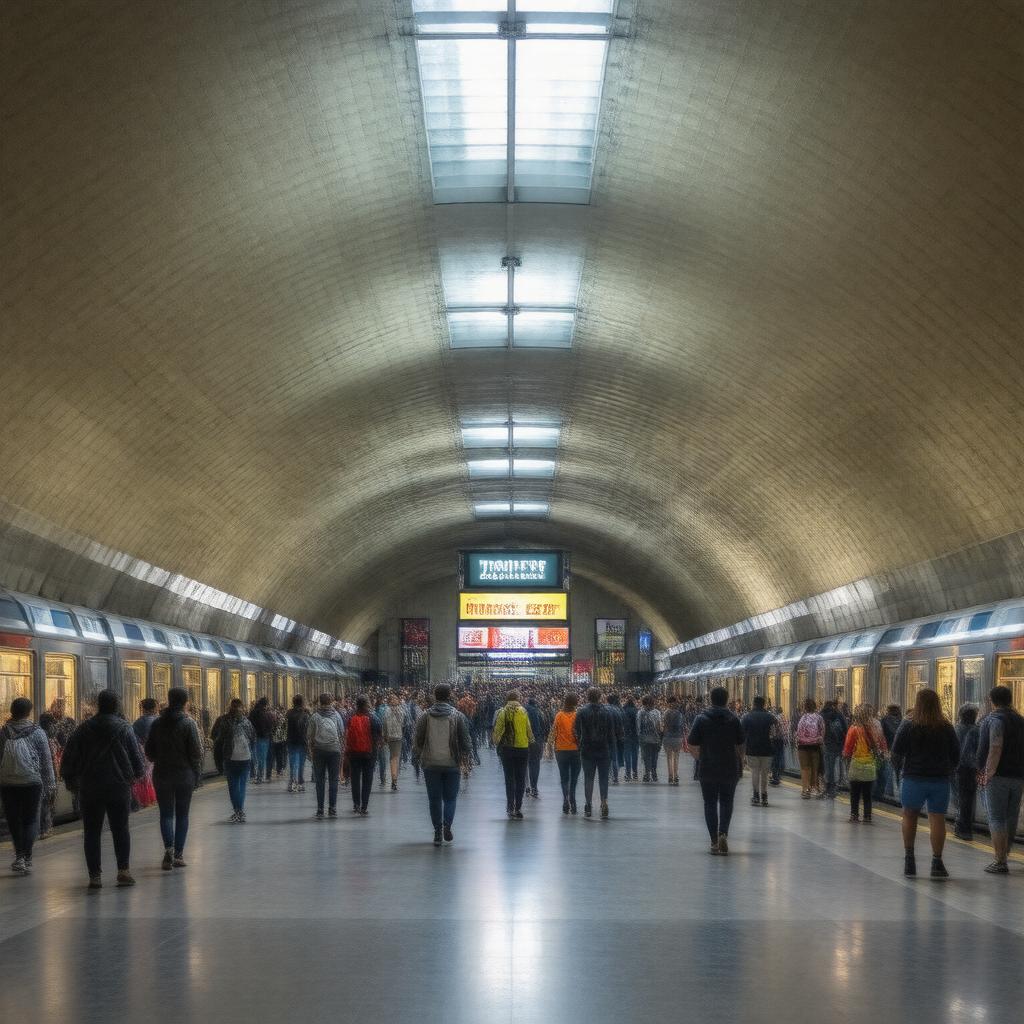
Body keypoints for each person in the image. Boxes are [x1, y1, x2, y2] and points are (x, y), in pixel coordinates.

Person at [60, 690, 145, 888]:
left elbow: (68, 760)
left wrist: (73, 783)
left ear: (99, 705)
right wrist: (133, 778)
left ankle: (94, 876)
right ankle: (123, 871)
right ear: (116, 706)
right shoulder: (125, 729)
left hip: (90, 787)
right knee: (121, 829)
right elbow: (138, 763)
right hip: (119, 788)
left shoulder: (83, 729)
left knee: (91, 832)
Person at [890, 688, 960, 879]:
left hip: (913, 779)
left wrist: (901, 770)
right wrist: (947, 770)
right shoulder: (946, 726)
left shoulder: (908, 725)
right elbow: (956, 754)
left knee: (909, 816)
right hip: (939, 781)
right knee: (937, 819)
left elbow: (895, 752)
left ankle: (909, 862)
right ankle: (937, 863)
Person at [145, 687, 204, 871]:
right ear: (186, 702)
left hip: (162, 774)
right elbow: (196, 753)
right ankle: (178, 854)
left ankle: (168, 849)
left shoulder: (157, 724)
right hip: (184, 775)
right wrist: (197, 774)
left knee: (166, 814)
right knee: (182, 814)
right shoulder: (189, 724)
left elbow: (149, 752)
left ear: (169, 700)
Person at [0, 697, 56, 875]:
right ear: (29, 712)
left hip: (8, 782)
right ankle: (27, 856)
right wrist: (51, 786)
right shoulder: (38, 732)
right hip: (32, 781)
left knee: (14, 820)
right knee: (31, 819)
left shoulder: (3, 732)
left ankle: (19, 857)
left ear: (12, 711)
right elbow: (47, 762)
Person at [687, 686, 745, 855]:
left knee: (710, 803)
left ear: (710, 699)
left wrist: (700, 757)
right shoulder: (734, 719)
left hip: (708, 767)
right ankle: (723, 834)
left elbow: (691, 744)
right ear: (727, 700)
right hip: (729, 768)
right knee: (727, 802)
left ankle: (713, 841)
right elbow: (741, 745)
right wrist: (740, 760)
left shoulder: (701, 719)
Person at [413, 684, 472, 846]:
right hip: (452, 762)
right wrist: (467, 758)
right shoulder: (458, 716)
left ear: (434, 695)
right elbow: (466, 741)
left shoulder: (425, 716)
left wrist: (419, 757)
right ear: (450, 695)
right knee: (451, 798)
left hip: (430, 764)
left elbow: (418, 739)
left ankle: (437, 832)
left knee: (434, 799)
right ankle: (447, 824)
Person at [976, 684, 1024, 874]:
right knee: (1011, 817)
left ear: (992, 700)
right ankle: (1005, 853)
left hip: (998, 776)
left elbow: (995, 747)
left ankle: (1000, 860)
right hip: (1018, 776)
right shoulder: (1021, 720)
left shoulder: (994, 719)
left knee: (996, 818)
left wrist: (988, 772)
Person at [573, 687, 622, 819]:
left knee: (588, 778)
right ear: (600, 696)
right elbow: (612, 734)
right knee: (603, 778)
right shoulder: (607, 712)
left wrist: (579, 744)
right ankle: (604, 803)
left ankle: (588, 805)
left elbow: (575, 730)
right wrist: (613, 750)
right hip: (604, 749)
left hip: (587, 749)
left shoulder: (581, 711)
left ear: (588, 696)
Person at [211, 699, 256, 821]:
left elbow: (214, 736)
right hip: (245, 757)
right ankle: (240, 811)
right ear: (242, 707)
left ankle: (237, 811)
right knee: (242, 785)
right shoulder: (247, 722)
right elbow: (253, 738)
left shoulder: (222, 720)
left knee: (233, 785)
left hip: (230, 757)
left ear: (229, 707)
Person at [842, 704, 887, 822]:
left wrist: (846, 758)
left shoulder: (853, 729)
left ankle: (854, 815)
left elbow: (848, 748)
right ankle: (867, 816)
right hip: (870, 765)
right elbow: (882, 744)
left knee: (855, 793)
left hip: (856, 764)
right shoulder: (876, 726)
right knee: (867, 794)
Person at [493, 691, 534, 819]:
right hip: (523, 748)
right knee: (521, 778)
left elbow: (497, 731)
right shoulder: (523, 711)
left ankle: (510, 806)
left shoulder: (503, 712)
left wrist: (495, 743)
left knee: (509, 779)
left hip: (508, 749)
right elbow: (529, 730)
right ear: (518, 699)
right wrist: (531, 742)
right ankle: (518, 807)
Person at [306, 693, 346, 818]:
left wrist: (311, 750)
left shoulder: (315, 716)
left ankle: (320, 809)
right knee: (334, 779)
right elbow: (342, 733)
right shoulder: (337, 715)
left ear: (320, 702)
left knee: (320, 780)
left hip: (319, 750)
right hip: (335, 750)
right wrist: (342, 748)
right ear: (331, 702)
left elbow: (309, 735)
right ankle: (332, 808)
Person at [346, 696, 381, 815]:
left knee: (355, 779)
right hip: (369, 753)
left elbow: (346, 733)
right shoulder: (373, 717)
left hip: (353, 753)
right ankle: (364, 806)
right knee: (367, 779)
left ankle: (356, 804)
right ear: (367, 704)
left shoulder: (350, 716)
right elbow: (378, 733)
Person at [952, 704, 980, 841]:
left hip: (958, 768)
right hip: (972, 769)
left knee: (961, 798)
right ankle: (966, 826)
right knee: (969, 798)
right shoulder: (977, 730)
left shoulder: (956, 729)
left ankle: (962, 826)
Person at [741, 696, 775, 806]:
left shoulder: (747, 717)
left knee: (755, 772)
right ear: (764, 704)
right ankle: (764, 796)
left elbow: (742, 735)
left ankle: (756, 796)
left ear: (753, 704)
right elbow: (775, 733)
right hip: (767, 748)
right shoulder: (770, 717)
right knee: (765, 773)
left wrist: (742, 751)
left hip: (752, 749)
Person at [553, 693, 581, 815]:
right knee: (574, 778)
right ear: (575, 702)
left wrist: (551, 747)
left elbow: (554, 732)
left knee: (564, 778)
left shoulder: (559, 715)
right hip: (576, 750)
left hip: (561, 750)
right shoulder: (577, 715)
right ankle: (573, 801)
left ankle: (565, 799)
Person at [794, 698, 825, 798]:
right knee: (815, 768)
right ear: (815, 706)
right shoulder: (819, 718)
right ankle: (815, 788)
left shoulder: (802, 718)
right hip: (815, 746)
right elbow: (823, 731)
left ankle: (805, 790)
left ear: (805, 707)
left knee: (804, 768)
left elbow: (798, 732)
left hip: (802, 746)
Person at [821, 700, 849, 799]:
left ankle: (828, 787)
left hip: (826, 744)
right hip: (838, 744)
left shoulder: (822, 714)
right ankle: (835, 786)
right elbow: (846, 729)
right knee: (836, 765)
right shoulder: (839, 715)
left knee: (828, 766)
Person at [875, 704, 903, 800]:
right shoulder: (902, 720)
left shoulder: (884, 719)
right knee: (900, 772)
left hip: (888, 749)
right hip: (900, 751)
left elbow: (880, 734)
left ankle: (889, 792)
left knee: (889, 771)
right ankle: (901, 793)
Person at [285, 695, 310, 793]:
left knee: (292, 763)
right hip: (302, 742)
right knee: (301, 764)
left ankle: (292, 783)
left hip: (291, 741)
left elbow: (285, 727)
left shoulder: (289, 713)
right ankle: (300, 783)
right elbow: (308, 729)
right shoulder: (306, 714)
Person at [248, 697, 275, 784]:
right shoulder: (266, 713)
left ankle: (252, 775)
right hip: (263, 738)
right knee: (261, 758)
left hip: (253, 737)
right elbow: (270, 725)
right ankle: (259, 776)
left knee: (253, 757)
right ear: (266, 705)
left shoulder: (252, 713)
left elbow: (248, 724)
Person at [382, 695, 406, 791]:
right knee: (395, 758)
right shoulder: (401, 710)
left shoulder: (386, 711)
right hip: (397, 736)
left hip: (390, 737)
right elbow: (403, 723)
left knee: (392, 757)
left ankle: (394, 779)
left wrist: (384, 736)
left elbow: (384, 724)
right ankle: (394, 779)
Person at [525, 696, 547, 798]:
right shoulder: (539, 712)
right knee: (535, 764)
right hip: (537, 741)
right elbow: (544, 726)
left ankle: (526, 786)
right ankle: (534, 787)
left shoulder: (522, 711)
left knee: (525, 764)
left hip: (524, 741)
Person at [661, 696, 686, 786]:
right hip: (678, 738)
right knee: (676, 757)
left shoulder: (665, 713)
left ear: (668, 703)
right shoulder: (680, 713)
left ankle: (670, 776)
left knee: (669, 758)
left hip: (667, 737)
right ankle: (676, 776)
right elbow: (683, 726)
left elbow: (663, 726)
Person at [638, 694, 663, 783]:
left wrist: (639, 738)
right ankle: (654, 773)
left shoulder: (640, 712)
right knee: (654, 757)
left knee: (646, 757)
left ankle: (647, 774)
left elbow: (638, 727)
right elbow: (660, 727)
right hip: (656, 739)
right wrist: (660, 738)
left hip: (644, 739)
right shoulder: (657, 712)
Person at [621, 697, 639, 781]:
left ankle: (627, 774)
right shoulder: (636, 711)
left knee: (627, 754)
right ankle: (635, 773)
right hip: (635, 735)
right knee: (635, 754)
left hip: (626, 735)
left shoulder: (623, 711)